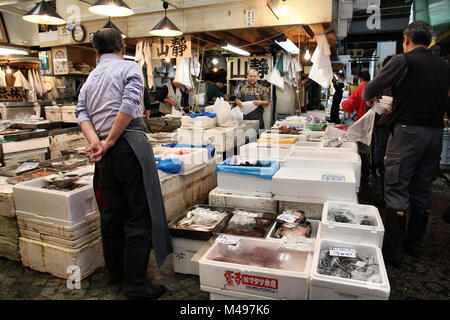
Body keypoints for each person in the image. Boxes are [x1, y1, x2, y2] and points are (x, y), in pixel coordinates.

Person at [75, 28, 173, 299]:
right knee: (139, 214)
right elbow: (130, 105)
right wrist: (110, 141)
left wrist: (98, 142)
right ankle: (136, 285)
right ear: (123, 48)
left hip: (105, 155)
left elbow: (81, 112)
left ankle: (116, 273)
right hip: (128, 145)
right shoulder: (129, 68)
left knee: (112, 213)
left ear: (96, 52)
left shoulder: (90, 78)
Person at [363, 21, 450, 266]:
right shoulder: (443, 65)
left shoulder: (404, 60)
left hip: (408, 132)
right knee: (422, 189)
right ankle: (415, 245)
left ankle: (393, 252)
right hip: (434, 134)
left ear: (406, 40)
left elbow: (370, 89)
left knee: (397, 187)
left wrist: (372, 100)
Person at [342, 71, 372, 187]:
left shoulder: (360, 89)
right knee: (369, 152)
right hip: (375, 126)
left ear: (360, 80)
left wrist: (343, 104)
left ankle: (363, 181)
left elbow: (348, 105)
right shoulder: (375, 88)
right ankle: (368, 175)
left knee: (362, 152)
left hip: (363, 126)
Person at [372, 55, 393, 206]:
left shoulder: (387, 83)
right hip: (394, 129)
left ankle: (388, 199)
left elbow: (368, 92)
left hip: (386, 129)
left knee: (384, 163)